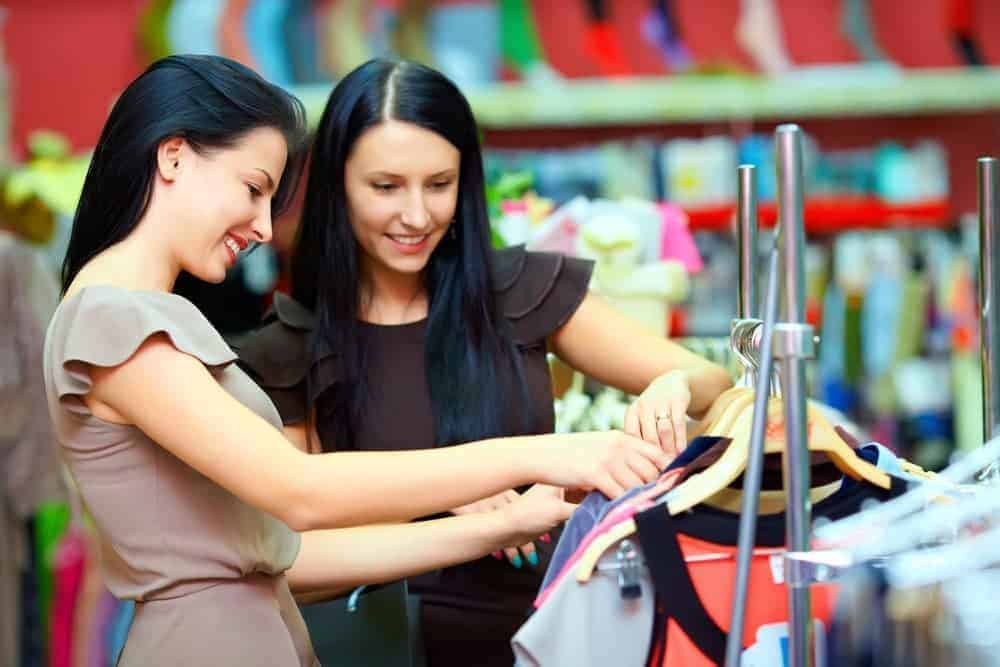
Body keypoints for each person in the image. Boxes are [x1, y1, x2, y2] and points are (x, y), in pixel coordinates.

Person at [43, 54, 675, 667]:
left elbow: (281, 554)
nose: (265, 226)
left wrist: (499, 525)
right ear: (174, 156)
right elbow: (301, 491)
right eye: (254, 188)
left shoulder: (138, 317)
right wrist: (541, 452)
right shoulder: (115, 320)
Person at [236, 58, 733, 667]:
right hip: (386, 647)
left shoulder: (519, 290)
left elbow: (717, 385)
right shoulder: (289, 346)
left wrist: (674, 385)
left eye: (439, 184)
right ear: (336, 186)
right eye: (386, 187)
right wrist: (451, 493)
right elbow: (290, 553)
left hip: (551, 633)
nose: (417, 216)